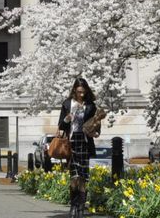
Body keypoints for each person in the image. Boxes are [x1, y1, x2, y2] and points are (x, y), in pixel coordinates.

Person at [57, 77, 97, 216]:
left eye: (83, 92)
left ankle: (81, 206)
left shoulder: (90, 105)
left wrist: (95, 131)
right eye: (79, 91)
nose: (81, 94)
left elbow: (96, 125)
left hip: (85, 143)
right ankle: (73, 205)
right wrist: (67, 118)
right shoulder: (68, 104)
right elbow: (61, 126)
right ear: (74, 90)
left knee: (83, 177)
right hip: (72, 142)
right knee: (74, 177)